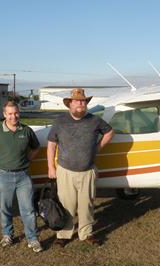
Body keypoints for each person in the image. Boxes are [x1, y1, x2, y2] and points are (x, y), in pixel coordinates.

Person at [47, 88, 114, 247]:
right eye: (77, 101)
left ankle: (86, 234)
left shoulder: (95, 120)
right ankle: (63, 235)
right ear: (70, 104)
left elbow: (110, 132)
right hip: (65, 171)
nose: (80, 104)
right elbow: (51, 145)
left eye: (83, 101)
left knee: (87, 205)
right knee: (67, 204)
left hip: (88, 171)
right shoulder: (60, 121)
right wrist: (51, 167)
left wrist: (98, 148)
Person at [0, 100, 42, 252]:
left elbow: (36, 147)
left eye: (16, 113)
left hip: (23, 177)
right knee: (5, 208)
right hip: (4, 176)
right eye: (10, 114)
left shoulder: (26, 130)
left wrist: (29, 160)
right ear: (4, 115)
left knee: (28, 209)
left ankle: (32, 239)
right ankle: (7, 235)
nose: (14, 116)